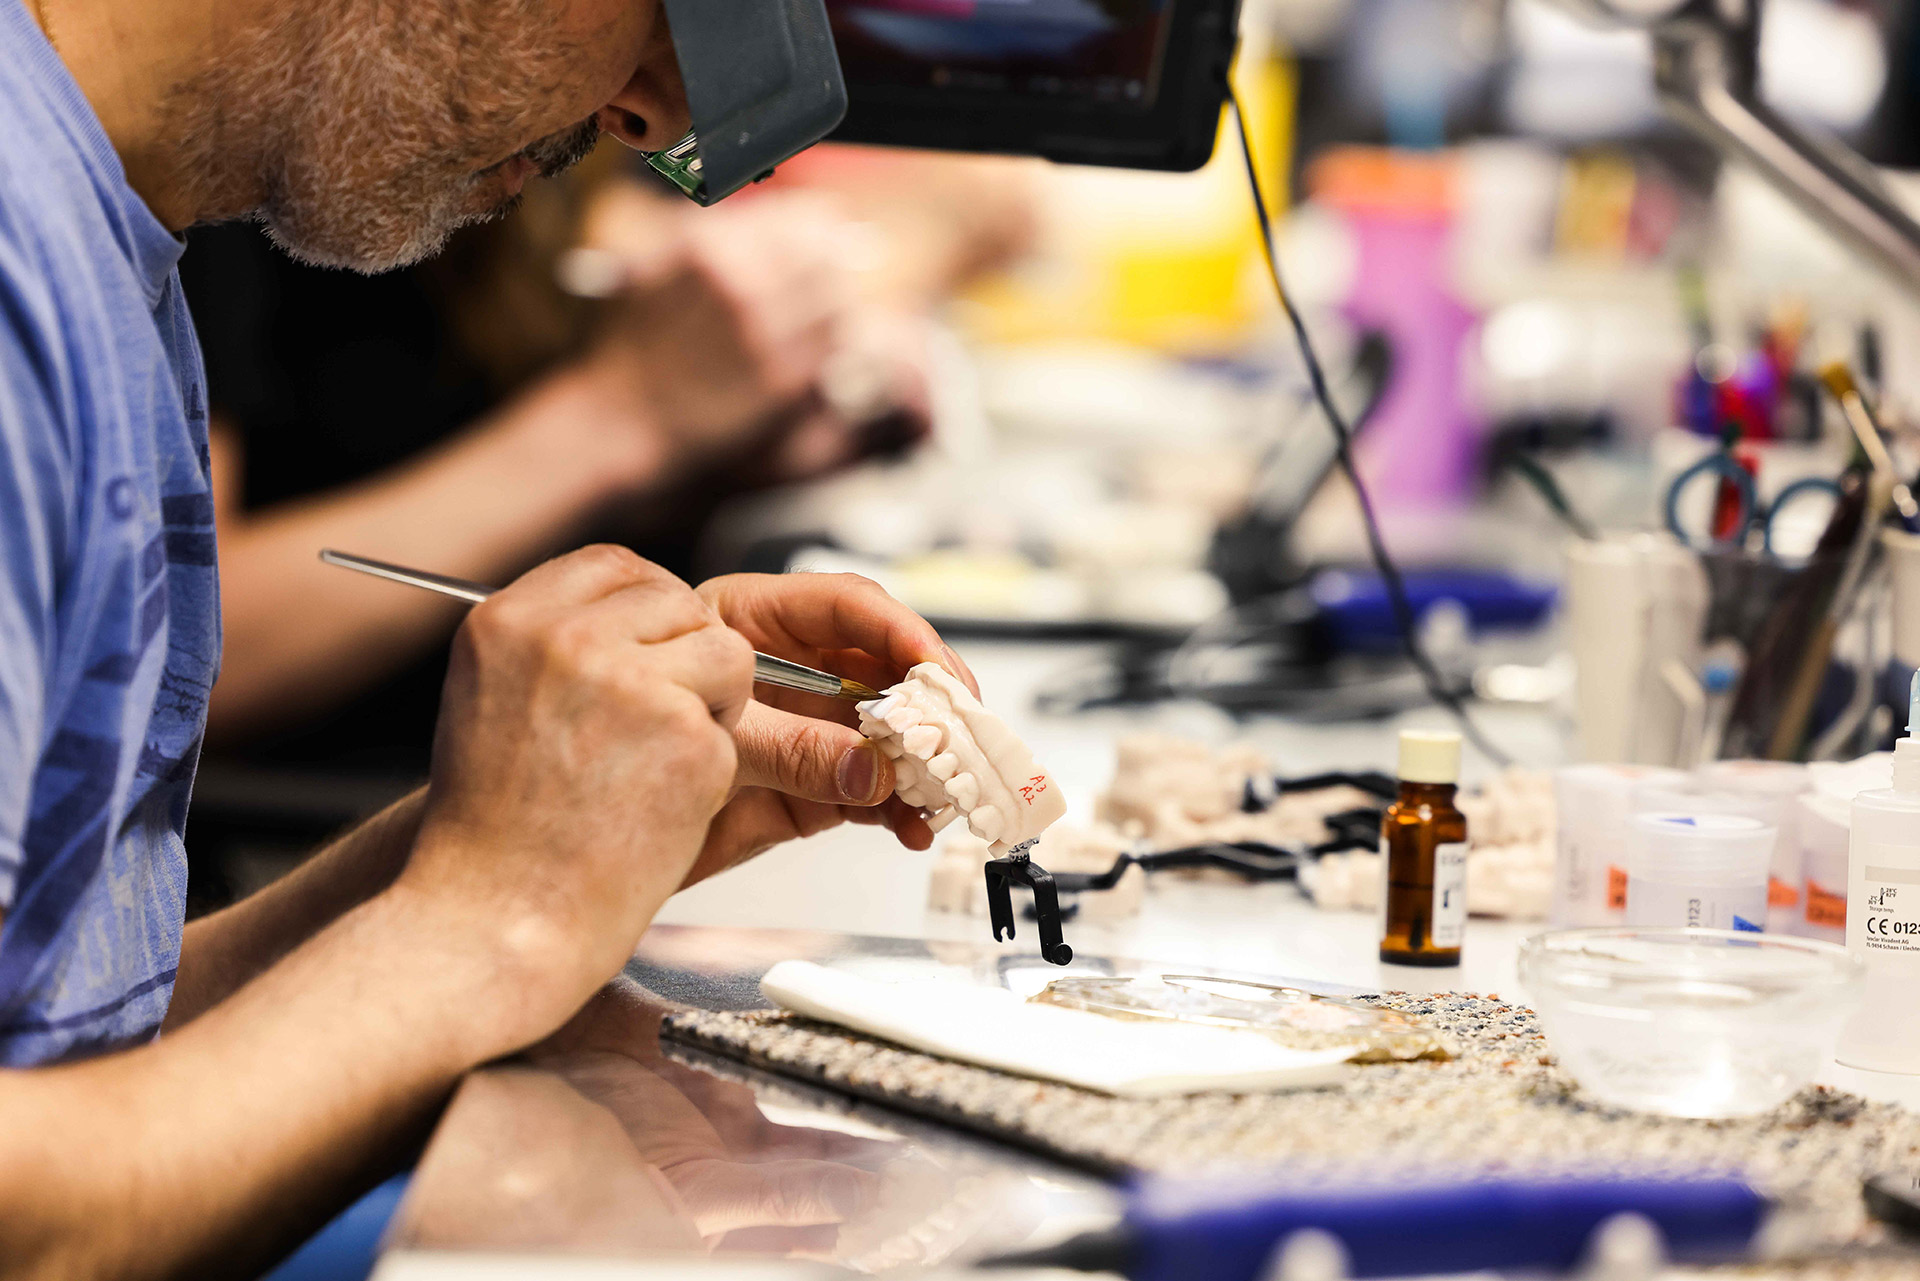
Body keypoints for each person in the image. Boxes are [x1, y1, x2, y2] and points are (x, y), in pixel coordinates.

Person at [0, 0, 978, 1275]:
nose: (661, 112)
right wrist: (485, 927)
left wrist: (526, 840)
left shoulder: (109, 237)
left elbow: (72, 1046)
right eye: (675, 8)